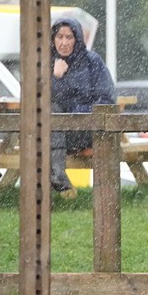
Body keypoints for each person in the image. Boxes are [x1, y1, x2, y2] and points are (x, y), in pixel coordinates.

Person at [49, 17, 115, 195]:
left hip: (84, 131)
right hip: (52, 133)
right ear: (52, 38)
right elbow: (38, 100)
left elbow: (106, 99)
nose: (63, 43)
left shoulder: (92, 62)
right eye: (59, 37)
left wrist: (77, 115)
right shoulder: (45, 62)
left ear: (77, 39)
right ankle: (57, 177)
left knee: (52, 121)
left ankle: (57, 177)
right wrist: (55, 78)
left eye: (69, 37)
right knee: (49, 112)